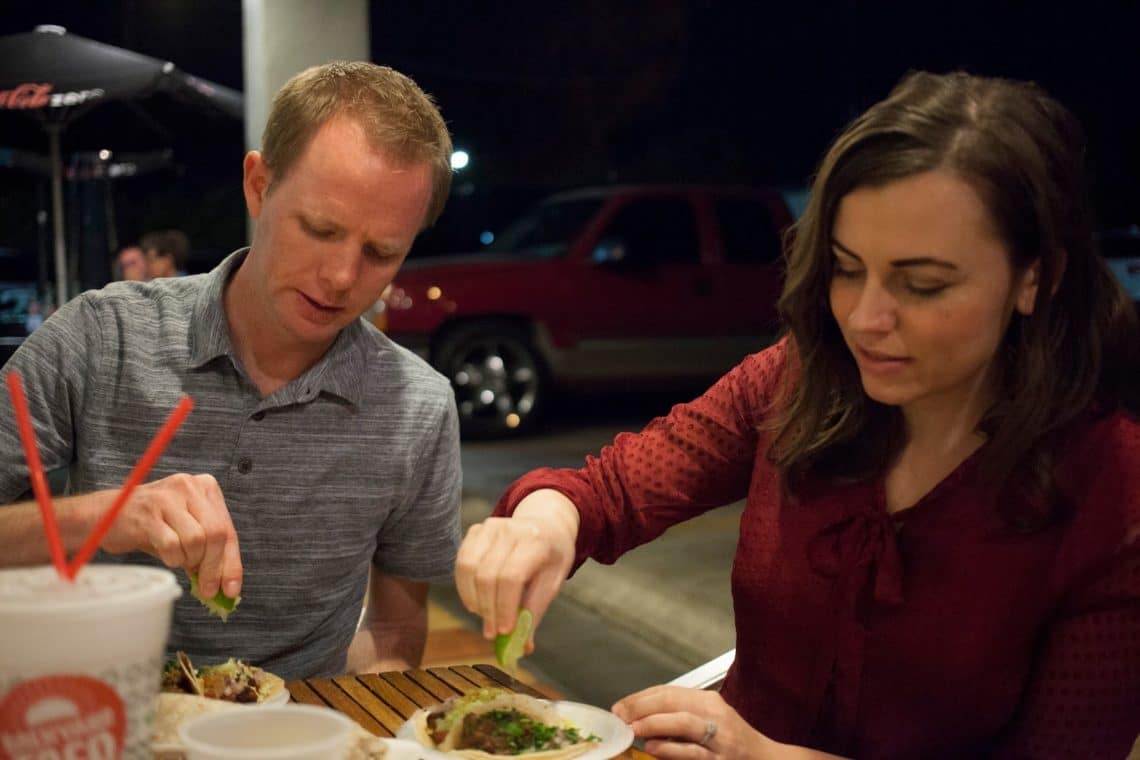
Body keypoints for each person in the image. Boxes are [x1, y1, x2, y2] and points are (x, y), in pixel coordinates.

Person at [455, 70, 1140, 758]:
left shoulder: (1113, 490)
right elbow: (613, 490)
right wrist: (546, 523)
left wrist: (766, 755)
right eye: (846, 269)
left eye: (923, 284)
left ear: (1036, 278)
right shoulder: (798, 380)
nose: (865, 319)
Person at [0, 61, 461, 680]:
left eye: (382, 253)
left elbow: (396, 629)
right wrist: (102, 517)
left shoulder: (418, 406)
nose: (343, 278)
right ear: (259, 186)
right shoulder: (101, 335)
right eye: (320, 229)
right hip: (92, 715)